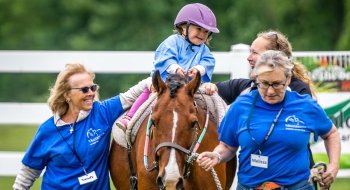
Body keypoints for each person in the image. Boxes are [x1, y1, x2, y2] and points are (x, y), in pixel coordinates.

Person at [197, 50, 341, 190]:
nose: (270, 91)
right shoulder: (240, 107)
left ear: (288, 79)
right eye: (264, 83)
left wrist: (334, 166)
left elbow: (331, 134)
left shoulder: (305, 106)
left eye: (277, 84)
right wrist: (216, 155)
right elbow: (228, 147)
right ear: (256, 78)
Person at [13, 63, 140, 189]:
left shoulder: (102, 112)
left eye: (93, 88)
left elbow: (134, 93)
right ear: (66, 94)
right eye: (84, 89)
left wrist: (159, 74)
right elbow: (28, 173)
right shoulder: (47, 130)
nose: (91, 93)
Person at [116, 2, 220, 131]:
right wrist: (175, 68)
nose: (202, 34)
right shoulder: (172, 41)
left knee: (208, 100)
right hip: (166, 82)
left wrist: (199, 69)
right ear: (183, 27)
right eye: (198, 29)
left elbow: (209, 61)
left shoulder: (204, 50)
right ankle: (130, 117)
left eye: (206, 31)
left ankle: (217, 128)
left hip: (188, 86)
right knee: (149, 88)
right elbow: (165, 58)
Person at [203, 30, 317, 103]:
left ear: (274, 56)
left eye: (254, 53)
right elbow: (210, 89)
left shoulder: (298, 90)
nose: (248, 58)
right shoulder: (246, 87)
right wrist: (209, 87)